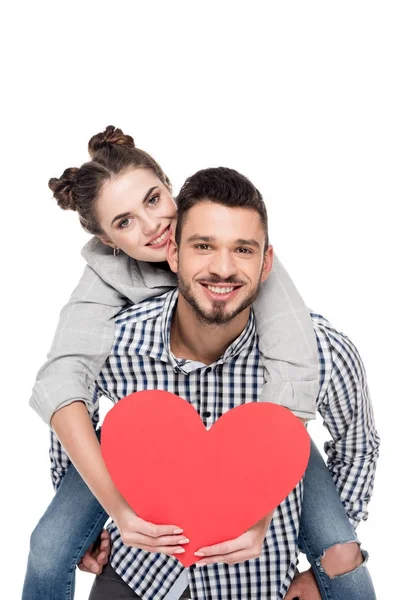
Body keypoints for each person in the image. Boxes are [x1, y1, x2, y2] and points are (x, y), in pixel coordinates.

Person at [21, 130, 378, 599]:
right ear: (107, 241)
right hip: (144, 560)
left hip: (278, 410)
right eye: (125, 222)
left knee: (343, 557)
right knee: (48, 546)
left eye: (154, 199)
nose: (152, 225)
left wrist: (296, 533)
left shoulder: (245, 258)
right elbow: (66, 384)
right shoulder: (113, 312)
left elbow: (299, 364)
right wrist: (96, 522)